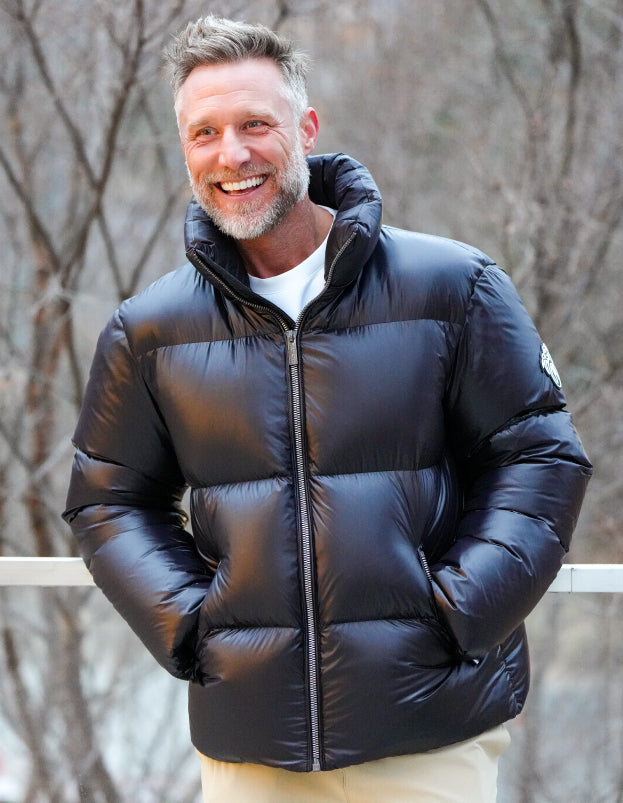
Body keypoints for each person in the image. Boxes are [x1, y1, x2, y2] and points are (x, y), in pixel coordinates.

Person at [63, 14, 592, 803]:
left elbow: (539, 456)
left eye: (255, 124)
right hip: (252, 746)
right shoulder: (149, 330)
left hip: (427, 730)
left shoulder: (454, 287)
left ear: (306, 129)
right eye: (205, 132)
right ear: (184, 149)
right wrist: (196, 624)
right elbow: (107, 500)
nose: (231, 154)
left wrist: (458, 610)